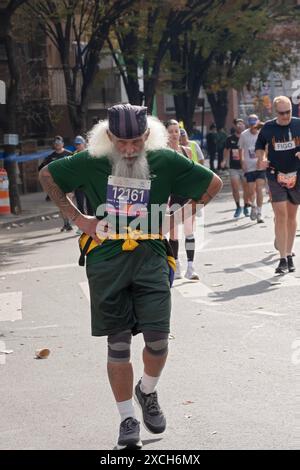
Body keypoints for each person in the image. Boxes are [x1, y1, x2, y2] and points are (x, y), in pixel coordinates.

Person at [39, 104, 222, 450]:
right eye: (121, 142)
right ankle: (126, 418)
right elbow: (48, 176)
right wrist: (82, 220)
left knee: (157, 339)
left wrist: (178, 216)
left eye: (136, 141)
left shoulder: (165, 160)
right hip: (105, 260)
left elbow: (212, 184)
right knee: (118, 342)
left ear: (147, 135)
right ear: (109, 136)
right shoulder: (92, 160)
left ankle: (147, 391)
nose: (128, 149)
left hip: (152, 256)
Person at [255, 95, 300, 274]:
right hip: (275, 175)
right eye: (281, 113)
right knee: (280, 214)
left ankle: (289, 254)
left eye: (288, 112)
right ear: (276, 112)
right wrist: (262, 158)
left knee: (291, 216)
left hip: (296, 175)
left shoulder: (298, 124)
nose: (285, 116)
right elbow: (259, 146)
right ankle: (282, 258)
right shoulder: (268, 128)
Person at [166, 119, 200, 280]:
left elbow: (192, 173)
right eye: (171, 131)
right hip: (171, 197)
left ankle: (191, 267)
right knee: (173, 235)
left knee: (189, 231)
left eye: (176, 131)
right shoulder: (162, 152)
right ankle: (176, 265)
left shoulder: (187, 151)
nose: (174, 134)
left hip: (187, 196)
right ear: (166, 133)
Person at [38, 136, 73, 231]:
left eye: (59, 143)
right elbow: (41, 169)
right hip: (56, 184)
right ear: (54, 145)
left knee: (69, 204)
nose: (57, 145)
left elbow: (75, 169)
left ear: (63, 144)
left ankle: (71, 222)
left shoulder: (69, 154)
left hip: (69, 183)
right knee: (61, 204)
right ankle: (66, 223)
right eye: (56, 143)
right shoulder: (50, 157)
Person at [221, 118, 251, 218]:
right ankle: (238, 207)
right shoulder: (230, 139)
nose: (240, 125)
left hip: (245, 167)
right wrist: (224, 160)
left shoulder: (248, 137)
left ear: (244, 125)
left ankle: (246, 206)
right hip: (234, 167)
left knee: (246, 188)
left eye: (241, 124)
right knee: (235, 187)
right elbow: (226, 149)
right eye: (238, 124)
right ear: (235, 126)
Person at [239, 115, 265, 223]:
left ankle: (259, 213)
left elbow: (266, 147)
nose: (253, 127)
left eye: (254, 125)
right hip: (249, 167)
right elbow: (240, 149)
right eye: (251, 125)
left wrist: (263, 159)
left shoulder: (262, 133)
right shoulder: (244, 135)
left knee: (259, 189)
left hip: (260, 166)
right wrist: (242, 162)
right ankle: (253, 206)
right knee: (251, 190)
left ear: (257, 123)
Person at [73, 136, 94, 216]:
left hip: (89, 183)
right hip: (78, 183)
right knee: (80, 203)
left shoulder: (89, 153)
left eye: (79, 144)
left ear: (84, 144)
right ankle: (84, 221)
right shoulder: (73, 155)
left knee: (90, 204)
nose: (77, 146)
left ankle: (91, 219)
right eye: (76, 144)